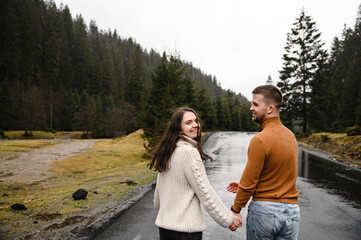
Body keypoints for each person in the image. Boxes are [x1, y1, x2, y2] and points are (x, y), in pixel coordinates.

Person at [149, 107, 241, 240]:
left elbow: (158, 201)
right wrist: (228, 219)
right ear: (179, 129)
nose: (195, 125)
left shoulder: (167, 152)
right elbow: (206, 193)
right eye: (188, 123)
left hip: (165, 231)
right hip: (186, 233)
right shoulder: (190, 153)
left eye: (196, 121)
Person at [227, 85, 300, 239]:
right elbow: (279, 174)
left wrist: (235, 209)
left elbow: (249, 182)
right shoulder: (291, 136)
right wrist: (243, 185)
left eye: (255, 104)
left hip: (265, 212)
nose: (251, 108)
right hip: (292, 213)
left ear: (270, 108)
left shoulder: (260, 140)